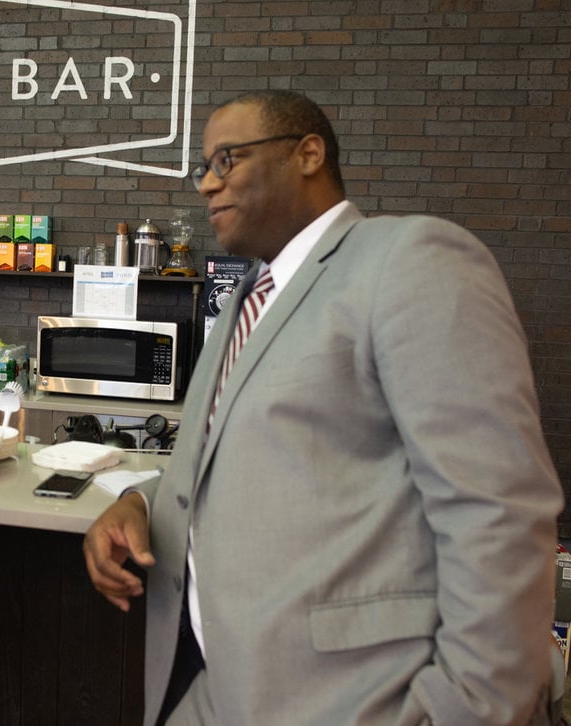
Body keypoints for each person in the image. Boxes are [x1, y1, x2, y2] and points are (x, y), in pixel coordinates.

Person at [83, 89, 564, 725]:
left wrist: (467, 709)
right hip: (222, 686)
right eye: (203, 167)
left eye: (226, 160)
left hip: (359, 696)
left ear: (308, 153)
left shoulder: (408, 259)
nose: (206, 185)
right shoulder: (244, 302)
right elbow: (245, 460)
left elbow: (496, 509)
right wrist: (139, 501)